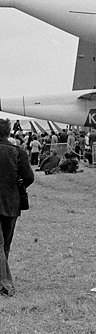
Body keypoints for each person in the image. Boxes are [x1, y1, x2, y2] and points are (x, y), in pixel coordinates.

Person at [0, 119, 34, 296]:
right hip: (10, 202)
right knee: (5, 244)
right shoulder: (17, 152)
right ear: (7, 133)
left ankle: (4, 283)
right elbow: (29, 177)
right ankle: (4, 283)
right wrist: (15, 187)